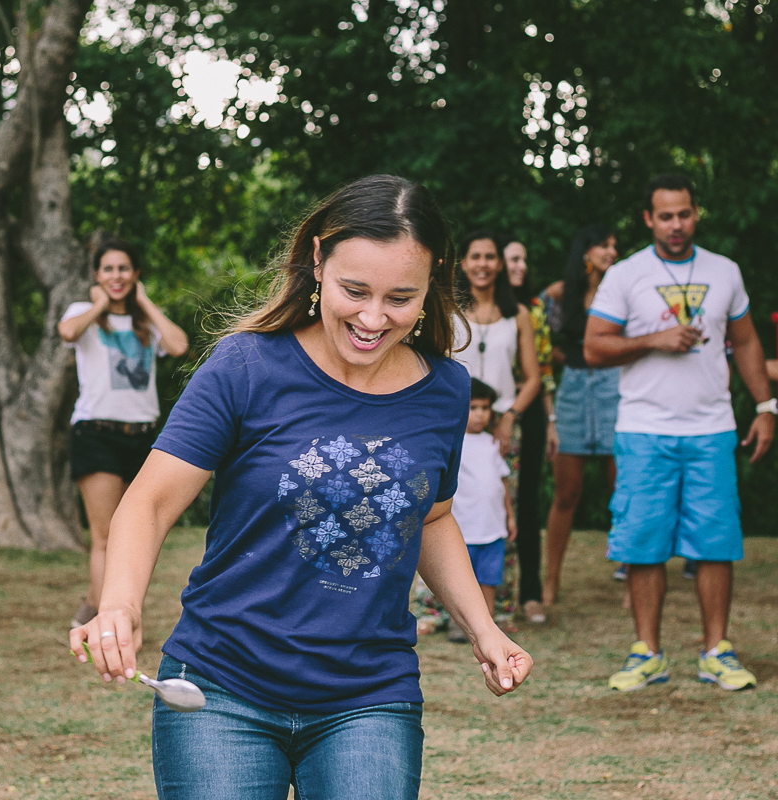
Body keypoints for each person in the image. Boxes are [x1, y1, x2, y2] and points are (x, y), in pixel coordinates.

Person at [70, 175, 531, 799]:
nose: (373, 318)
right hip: (220, 688)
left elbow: (431, 517)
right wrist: (119, 605)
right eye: (355, 290)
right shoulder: (245, 366)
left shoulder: (445, 390)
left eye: (400, 297)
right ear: (317, 261)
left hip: (369, 697)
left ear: (432, 284)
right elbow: (147, 504)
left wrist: (484, 629)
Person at [586, 173, 773, 691]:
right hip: (644, 430)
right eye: (665, 215)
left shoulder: (725, 271)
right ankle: (647, 652)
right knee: (643, 543)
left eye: (684, 214)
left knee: (716, 542)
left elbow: (748, 341)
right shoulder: (626, 274)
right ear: (648, 219)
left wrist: (766, 405)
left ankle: (716, 650)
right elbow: (594, 346)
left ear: (696, 214)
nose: (675, 224)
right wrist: (655, 339)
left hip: (712, 428)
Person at [58, 238, 188, 628]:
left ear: (135, 275)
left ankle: (94, 602)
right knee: (106, 535)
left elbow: (179, 345)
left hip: (144, 437)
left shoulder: (145, 321)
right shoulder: (84, 313)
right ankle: (111, 620)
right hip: (96, 434)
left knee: (137, 532)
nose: (117, 276)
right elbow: (67, 333)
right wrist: (100, 304)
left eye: (124, 269)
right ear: (97, 275)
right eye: (109, 269)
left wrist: (145, 303)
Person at [453, 230, 540, 623]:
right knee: (444, 510)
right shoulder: (449, 310)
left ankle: (499, 603)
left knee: (502, 510)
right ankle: (439, 606)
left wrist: (509, 417)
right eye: (475, 256)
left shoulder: (518, 313)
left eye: (490, 257)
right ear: (463, 263)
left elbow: (533, 377)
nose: (483, 264)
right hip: (455, 425)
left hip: (501, 424)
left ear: (500, 264)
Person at [540, 226, 621, 606]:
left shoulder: (621, 290)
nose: (612, 251)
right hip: (572, 391)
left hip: (614, 389)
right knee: (566, 493)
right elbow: (538, 336)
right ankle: (550, 581)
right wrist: (566, 359)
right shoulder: (561, 292)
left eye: (614, 246)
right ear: (586, 251)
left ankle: (631, 576)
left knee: (622, 490)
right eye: (605, 244)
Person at [503, 238, 554, 624]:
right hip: (488, 410)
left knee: (528, 502)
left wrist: (550, 419)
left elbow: (544, 368)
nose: (521, 266)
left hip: (529, 411)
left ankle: (531, 592)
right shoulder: (481, 308)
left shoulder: (533, 308)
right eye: (513, 259)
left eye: (524, 259)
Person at [447, 379, 516, 642]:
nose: (479, 414)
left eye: (485, 408)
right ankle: (460, 624)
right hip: (464, 528)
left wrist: (510, 517)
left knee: (488, 579)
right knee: (460, 581)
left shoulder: (493, 443)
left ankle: (487, 627)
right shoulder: (454, 444)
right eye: (473, 407)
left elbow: (503, 483)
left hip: (492, 527)